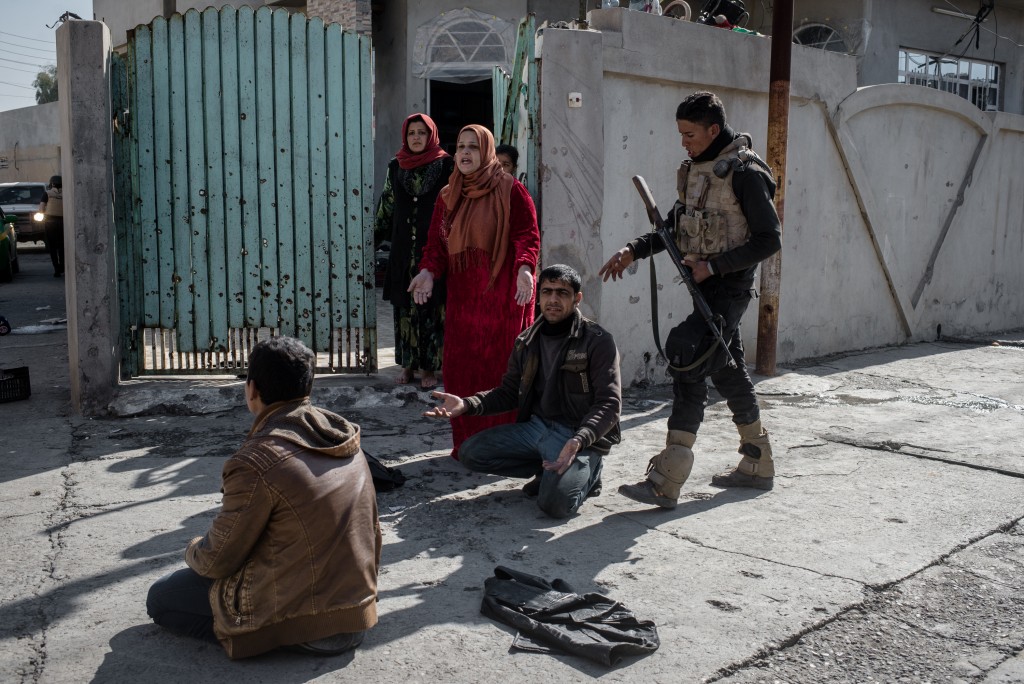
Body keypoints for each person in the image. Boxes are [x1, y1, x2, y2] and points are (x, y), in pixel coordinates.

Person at [599, 90, 782, 509]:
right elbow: (675, 226)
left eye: (690, 134)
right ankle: (758, 461)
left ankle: (668, 477)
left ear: (713, 130)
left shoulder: (746, 172)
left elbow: (769, 238)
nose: (684, 142)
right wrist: (634, 249)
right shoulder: (698, 169)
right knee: (727, 370)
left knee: (687, 355)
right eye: (681, 134)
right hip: (705, 285)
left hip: (728, 288)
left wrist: (714, 269)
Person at [146, 337, 382, 659]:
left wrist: (192, 549)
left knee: (161, 597)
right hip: (357, 613)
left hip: (305, 623)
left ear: (252, 389)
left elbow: (218, 559)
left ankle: (262, 637)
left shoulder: (256, 462)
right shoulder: (342, 436)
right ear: (307, 387)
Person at [423, 264, 620, 518]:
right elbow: (508, 392)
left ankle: (590, 473)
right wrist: (467, 404)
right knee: (470, 453)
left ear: (577, 298)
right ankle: (548, 471)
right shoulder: (526, 341)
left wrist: (579, 440)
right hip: (536, 428)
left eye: (562, 293)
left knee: (555, 505)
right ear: (538, 297)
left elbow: (610, 404)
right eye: (547, 292)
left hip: (575, 436)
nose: (553, 300)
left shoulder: (597, 340)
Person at [409, 124, 540, 460]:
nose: (465, 153)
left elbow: (527, 235)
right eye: (461, 147)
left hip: (504, 300)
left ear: (487, 152)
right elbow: (436, 247)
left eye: (474, 147)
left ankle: (506, 445)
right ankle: (467, 443)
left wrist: (525, 269)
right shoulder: (448, 195)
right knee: (462, 370)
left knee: (502, 370)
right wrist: (427, 272)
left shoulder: (511, 190)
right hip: (464, 301)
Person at [374, 113, 454, 389]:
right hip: (402, 250)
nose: (417, 137)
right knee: (405, 308)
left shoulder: (447, 165)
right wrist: (375, 238)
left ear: (431, 134)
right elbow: (387, 203)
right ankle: (408, 364)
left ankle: (430, 367)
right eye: (412, 133)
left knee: (433, 309)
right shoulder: (396, 166)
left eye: (422, 132)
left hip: (434, 248)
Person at [38, 175, 64, 277]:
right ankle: (62, 266)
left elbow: (41, 208)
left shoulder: (47, 193)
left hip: (50, 222)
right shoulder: (66, 193)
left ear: (51, 183)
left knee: (52, 247)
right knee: (62, 246)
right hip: (63, 222)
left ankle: (56, 269)